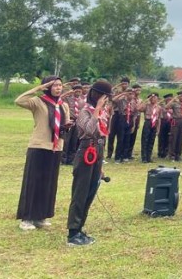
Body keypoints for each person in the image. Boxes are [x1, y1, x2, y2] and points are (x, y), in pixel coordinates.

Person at [15, 76, 72, 231]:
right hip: (39, 146)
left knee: (49, 184)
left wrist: (67, 126)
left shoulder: (63, 105)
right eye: (54, 85)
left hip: (56, 147)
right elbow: (19, 100)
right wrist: (38, 89)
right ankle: (26, 217)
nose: (58, 88)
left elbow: (64, 125)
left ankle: (41, 216)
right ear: (47, 87)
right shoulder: (38, 102)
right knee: (33, 182)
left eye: (60, 85)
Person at [67, 79, 112, 246]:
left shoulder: (103, 112)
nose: (106, 100)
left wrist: (100, 165)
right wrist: (98, 109)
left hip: (97, 152)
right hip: (86, 151)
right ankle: (72, 233)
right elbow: (89, 130)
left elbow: (103, 136)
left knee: (90, 192)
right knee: (80, 193)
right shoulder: (86, 111)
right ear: (98, 96)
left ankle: (79, 229)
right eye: (105, 97)